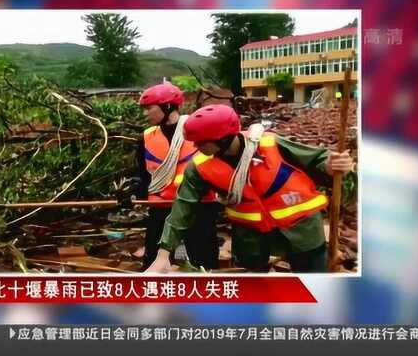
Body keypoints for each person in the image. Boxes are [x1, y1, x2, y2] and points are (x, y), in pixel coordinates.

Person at [146, 104, 354, 273]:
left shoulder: (271, 144)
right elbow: (183, 208)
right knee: (256, 291)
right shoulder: (200, 167)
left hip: (302, 232)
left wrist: (331, 164)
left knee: (313, 287)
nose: (195, 147)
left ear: (223, 138)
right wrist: (164, 253)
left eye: (200, 143)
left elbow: (317, 158)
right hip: (251, 239)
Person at [132, 82, 219, 270]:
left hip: (198, 206)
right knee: (153, 261)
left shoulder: (199, 132)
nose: (145, 114)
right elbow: (142, 173)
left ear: (168, 106)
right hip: (160, 206)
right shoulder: (147, 136)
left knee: (203, 262)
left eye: (149, 108)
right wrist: (134, 190)